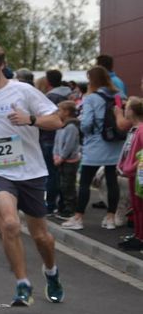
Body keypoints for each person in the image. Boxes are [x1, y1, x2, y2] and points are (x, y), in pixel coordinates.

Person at [0, 41, 64, 307]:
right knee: (8, 223)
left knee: (42, 237)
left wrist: (30, 119)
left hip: (31, 171)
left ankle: (51, 271)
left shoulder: (24, 91)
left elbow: (56, 120)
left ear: (1, 65)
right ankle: (22, 284)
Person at [61, 66, 124, 231]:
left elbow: (87, 123)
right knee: (112, 182)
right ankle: (110, 217)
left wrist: (84, 130)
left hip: (96, 145)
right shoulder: (118, 94)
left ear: (92, 80)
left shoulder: (91, 98)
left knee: (84, 182)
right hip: (115, 143)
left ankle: (78, 217)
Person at [41, 69, 72, 215]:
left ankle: (50, 204)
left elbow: (45, 118)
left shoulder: (51, 96)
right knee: (64, 175)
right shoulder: (70, 94)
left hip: (50, 138)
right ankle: (64, 204)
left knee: (51, 174)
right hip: (67, 138)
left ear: (48, 81)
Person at [117, 97, 143, 250]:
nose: (124, 110)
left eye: (126, 108)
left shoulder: (140, 130)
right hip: (135, 173)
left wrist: (131, 167)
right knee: (136, 206)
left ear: (132, 111)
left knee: (140, 206)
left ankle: (140, 237)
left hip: (138, 173)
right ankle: (138, 235)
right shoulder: (136, 129)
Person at [53, 101, 81, 219]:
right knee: (61, 184)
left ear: (67, 112)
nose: (58, 112)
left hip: (69, 161)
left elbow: (69, 145)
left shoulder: (71, 127)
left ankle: (70, 209)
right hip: (60, 159)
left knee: (68, 185)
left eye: (59, 110)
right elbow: (56, 142)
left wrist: (62, 157)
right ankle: (62, 206)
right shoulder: (61, 126)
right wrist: (55, 155)